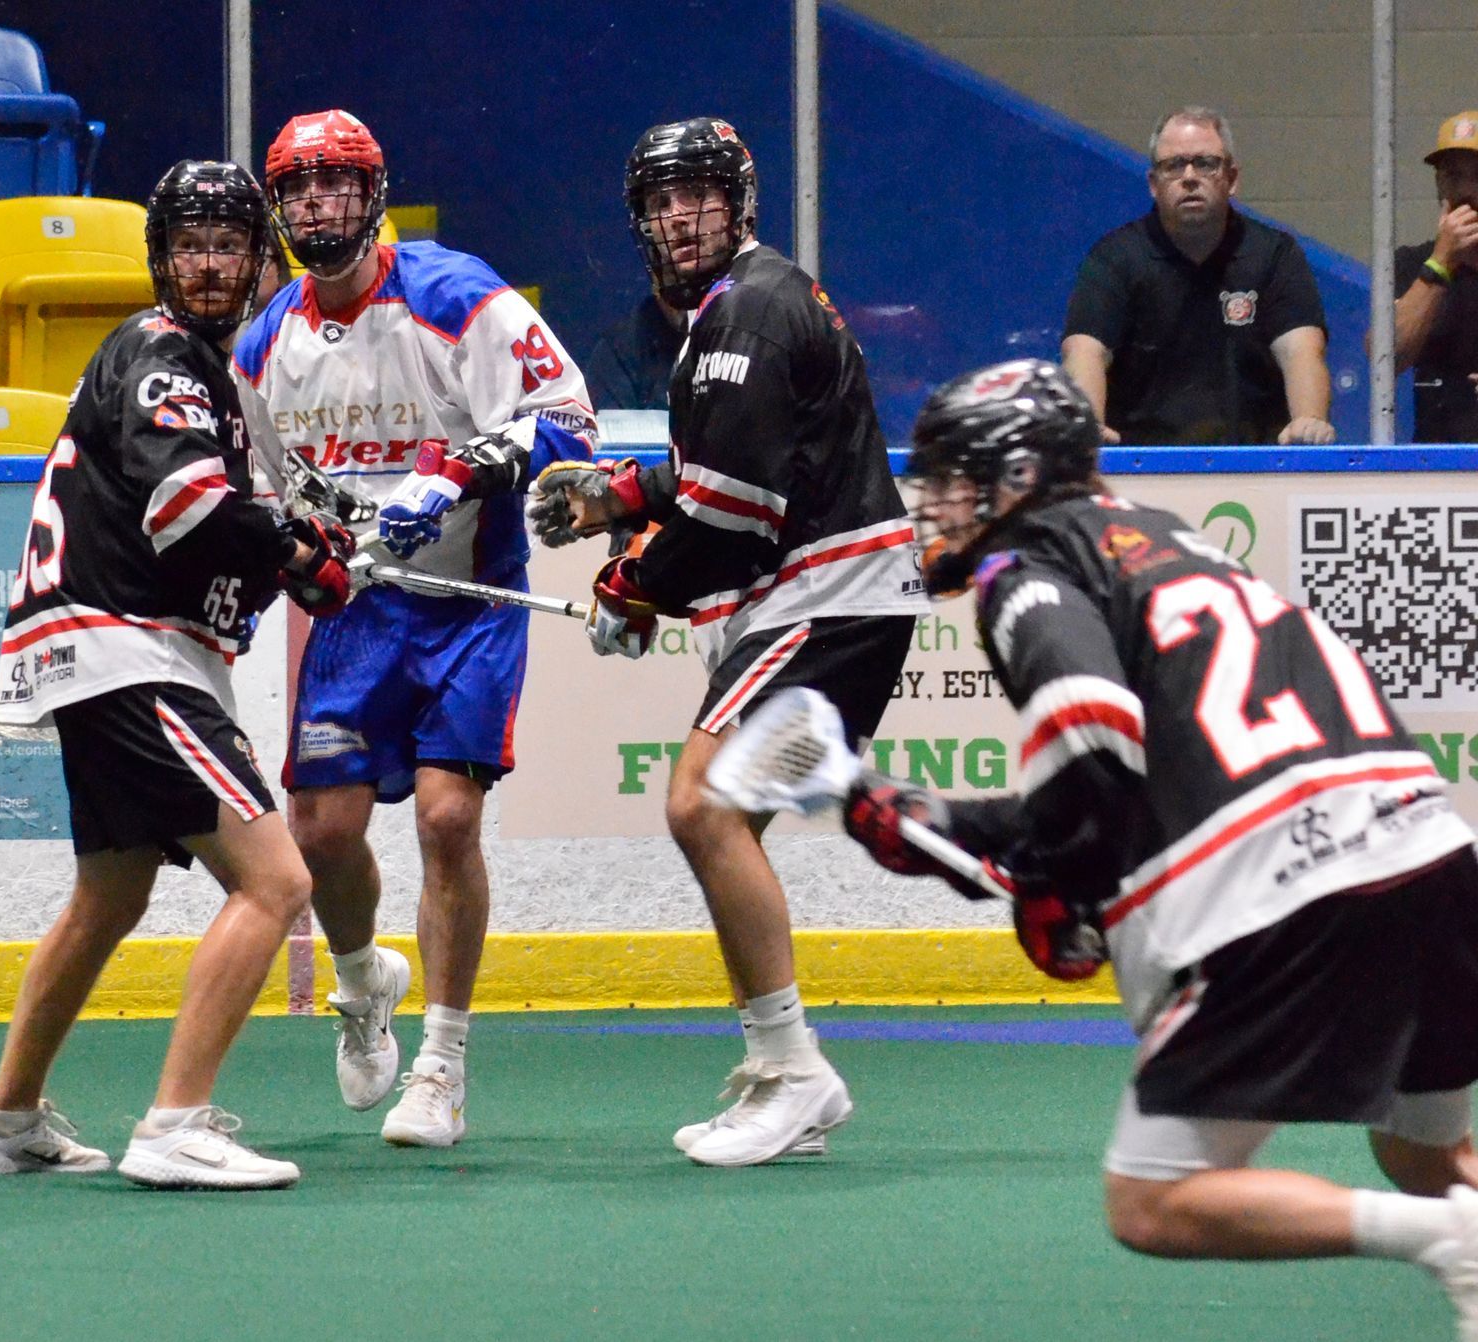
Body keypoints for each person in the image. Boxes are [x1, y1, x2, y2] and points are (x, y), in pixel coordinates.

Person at [835, 357, 1478, 1334]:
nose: (941, 504)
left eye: (960, 480)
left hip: (1298, 882)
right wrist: (1053, 869)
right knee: (1429, 1157)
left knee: (1153, 1198)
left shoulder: (1025, 569)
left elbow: (1093, 756)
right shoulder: (1170, 539)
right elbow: (1147, 780)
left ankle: (1445, 1241)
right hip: (1432, 850)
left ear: (1018, 479)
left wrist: (958, 833)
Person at [0, 161, 355, 1191]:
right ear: (161, 260)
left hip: (98, 651)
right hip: (126, 649)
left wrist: (297, 555)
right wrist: (297, 554)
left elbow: (213, 529)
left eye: (228, 246)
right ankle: (175, 1124)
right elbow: (188, 511)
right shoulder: (165, 352)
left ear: (260, 264)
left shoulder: (207, 376)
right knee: (276, 881)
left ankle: (5, 1123)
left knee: (109, 895)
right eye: (190, 245)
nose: (209, 265)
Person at [528, 117, 927, 1167]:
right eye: (662, 201)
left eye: (699, 194)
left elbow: (733, 517)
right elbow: (728, 469)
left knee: (703, 806)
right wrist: (624, 497)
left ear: (738, 201)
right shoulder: (742, 305)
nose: (680, 216)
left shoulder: (744, 311)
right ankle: (783, 1066)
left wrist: (632, 581)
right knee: (717, 815)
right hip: (830, 599)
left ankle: (793, 1071)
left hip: (829, 600)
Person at [233, 109, 596, 1148]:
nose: (318, 205)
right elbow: (270, 496)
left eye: (337, 183)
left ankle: (442, 1064)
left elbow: (568, 417)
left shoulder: (454, 293)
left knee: (446, 819)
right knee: (320, 833)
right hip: (359, 614)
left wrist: (458, 473)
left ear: (375, 193)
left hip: (469, 602)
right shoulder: (264, 345)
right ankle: (362, 984)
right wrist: (298, 559)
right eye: (298, 189)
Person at [1061, 106, 1335, 447]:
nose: (1189, 176)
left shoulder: (1275, 255)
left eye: (1205, 163)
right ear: (1153, 184)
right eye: (1174, 165)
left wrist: (1309, 421)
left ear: (1232, 179)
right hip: (1143, 464)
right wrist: (1089, 429)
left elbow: (1300, 351)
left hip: (1255, 465)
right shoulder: (1115, 257)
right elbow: (1085, 351)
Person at [1395, 111, 1478, 443]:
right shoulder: (1412, 264)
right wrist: (1442, 261)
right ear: (1439, 184)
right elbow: (1387, 359)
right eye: (1452, 176)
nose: (1465, 191)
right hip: (1437, 461)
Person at [582, 291, 686, 409]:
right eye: (675, 281)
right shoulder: (618, 351)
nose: (687, 294)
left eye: (699, 284)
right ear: (656, 285)